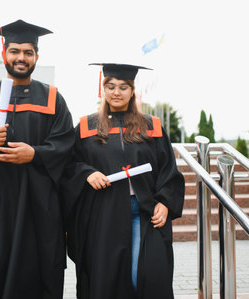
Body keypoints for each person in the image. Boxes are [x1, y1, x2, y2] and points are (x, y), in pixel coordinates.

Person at [0, 19, 74, 299]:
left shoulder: (53, 98)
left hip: (37, 203)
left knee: (36, 267)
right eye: (15, 51)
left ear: (36, 57)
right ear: (4, 54)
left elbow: (66, 145)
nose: (21, 57)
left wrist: (35, 154)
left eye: (28, 52)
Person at [63, 63, 185, 299]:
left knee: (144, 274)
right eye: (110, 86)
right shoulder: (87, 127)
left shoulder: (152, 127)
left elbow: (168, 170)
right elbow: (69, 165)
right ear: (103, 89)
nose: (116, 92)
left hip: (144, 211)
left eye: (122, 87)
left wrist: (165, 202)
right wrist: (87, 173)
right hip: (103, 213)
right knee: (108, 275)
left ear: (132, 91)